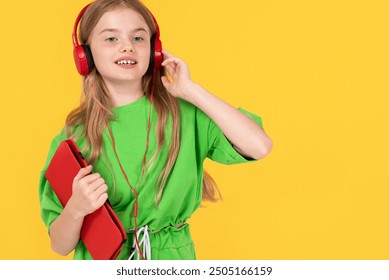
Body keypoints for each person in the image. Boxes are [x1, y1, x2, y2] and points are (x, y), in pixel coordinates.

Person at [39, 0, 272, 260]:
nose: (127, 46)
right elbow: (60, 245)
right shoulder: (73, 137)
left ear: (154, 50)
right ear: (86, 55)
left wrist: (191, 90)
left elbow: (259, 146)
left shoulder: (186, 113)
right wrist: (76, 209)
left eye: (138, 37)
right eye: (111, 38)